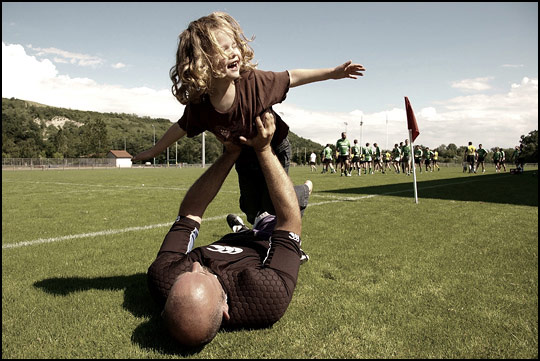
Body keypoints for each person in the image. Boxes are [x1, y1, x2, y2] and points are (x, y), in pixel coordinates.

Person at [132, 11, 365, 224]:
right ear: (201, 63)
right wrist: (154, 151)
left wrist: (333, 73)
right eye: (223, 49)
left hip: (273, 146)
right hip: (243, 154)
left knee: (276, 204)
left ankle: (299, 198)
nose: (234, 51)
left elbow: (292, 76)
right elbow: (181, 127)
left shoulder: (254, 82)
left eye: (234, 45)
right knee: (252, 209)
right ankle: (259, 229)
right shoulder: (200, 106)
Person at [148, 113, 312, 348]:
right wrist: (264, 150)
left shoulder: (163, 277)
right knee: (272, 215)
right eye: (204, 275)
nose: (195, 265)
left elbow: (190, 214)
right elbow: (289, 223)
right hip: (268, 238)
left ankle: (243, 229)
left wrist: (230, 154)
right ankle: (304, 192)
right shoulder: (265, 295)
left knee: (250, 206)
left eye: (186, 275)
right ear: (225, 309)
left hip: (234, 240)